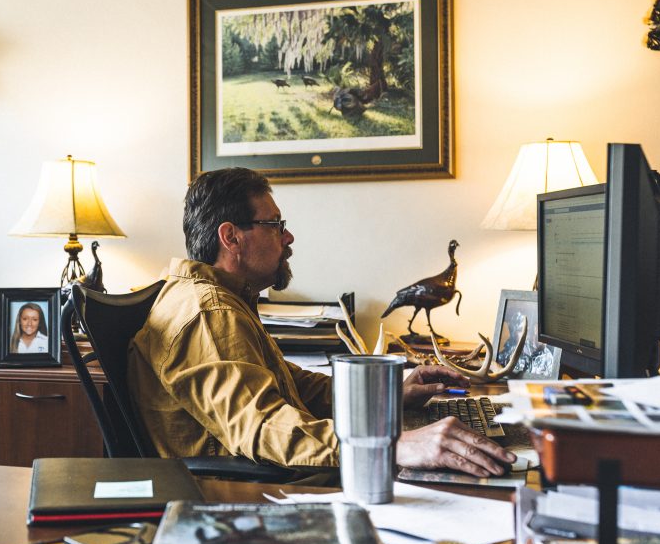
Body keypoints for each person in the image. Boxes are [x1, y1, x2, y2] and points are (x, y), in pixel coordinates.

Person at [128, 167, 516, 477]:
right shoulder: (208, 313)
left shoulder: (222, 299)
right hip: (248, 495)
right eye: (275, 225)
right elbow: (263, 428)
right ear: (231, 237)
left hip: (273, 479)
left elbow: (289, 386)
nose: (289, 237)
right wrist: (392, 445)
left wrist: (388, 396)